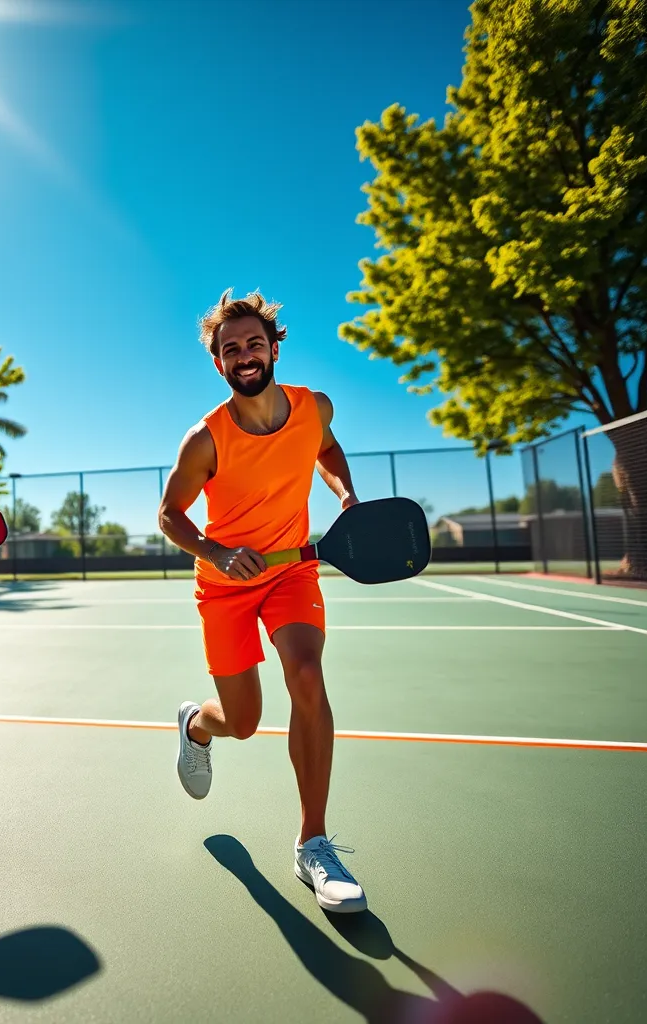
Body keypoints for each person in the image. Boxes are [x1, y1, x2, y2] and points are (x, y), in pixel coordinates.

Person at [158, 289, 367, 914]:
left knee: (307, 674)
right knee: (243, 723)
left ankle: (313, 843)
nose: (244, 355)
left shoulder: (314, 407)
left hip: (291, 574)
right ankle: (197, 725)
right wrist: (216, 552)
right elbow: (170, 515)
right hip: (224, 585)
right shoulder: (206, 439)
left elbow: (325, 448)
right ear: (219, 364)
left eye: (253, 343)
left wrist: (346, 495)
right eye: (230, 350)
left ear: (274, 347)